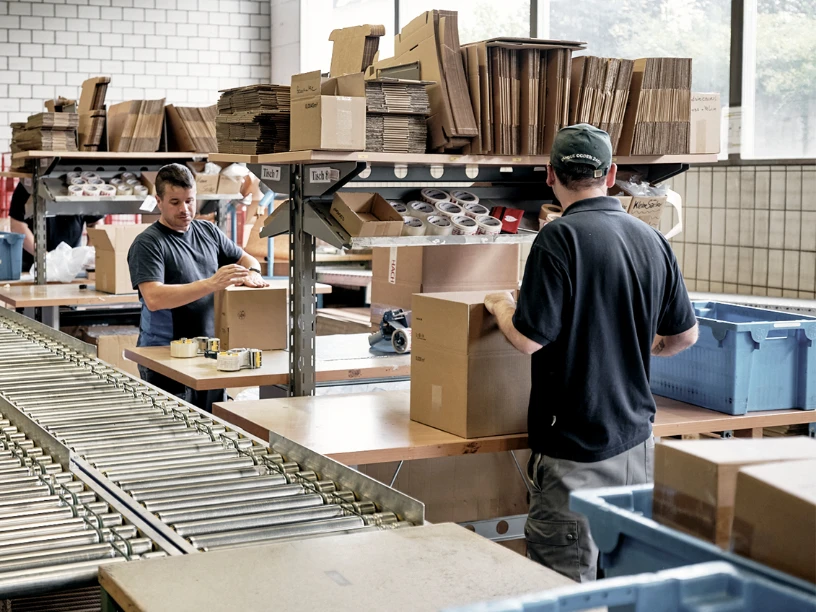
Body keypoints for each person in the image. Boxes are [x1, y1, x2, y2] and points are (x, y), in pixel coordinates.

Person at [484, 124, 699, 583]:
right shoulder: (652, 240)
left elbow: (527, 339)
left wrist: (501, 306)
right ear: (612, 173)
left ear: (550, 175)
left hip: (575, 456)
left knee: (566, 586)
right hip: (639, 447)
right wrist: (644, 347)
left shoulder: (559, 239)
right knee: (629, 585)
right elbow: (684, 336)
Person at [127, 163, 268, 412]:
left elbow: (248, 259)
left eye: (190, 201)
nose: (185, 209)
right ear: (158, 201)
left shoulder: (208, 232)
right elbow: (154, 298)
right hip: (165, 356)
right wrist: (212, 283)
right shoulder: (148, 243)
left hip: (210, 354)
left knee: (213, 427)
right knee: (174, 431)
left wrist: (253, 274)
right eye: (175, 202)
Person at [8, 180, 102, 272]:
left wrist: (87, 254)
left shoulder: (82, 188)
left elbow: (95, 223)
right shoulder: (27, 185)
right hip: (32, 264)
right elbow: (17, 225)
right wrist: (45, 256)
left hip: (71, 265)